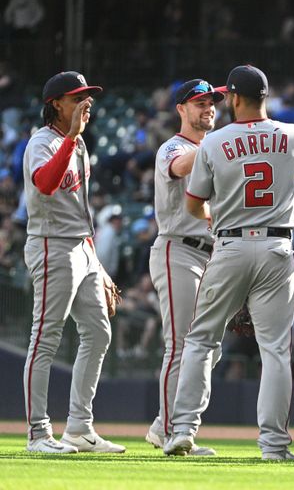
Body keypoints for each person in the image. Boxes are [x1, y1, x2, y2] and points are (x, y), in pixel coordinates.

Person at [163, 65, 294, 461]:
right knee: (276, 349)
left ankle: (181, 432)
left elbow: (193, 203)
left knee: (201, 339)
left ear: (236, 99)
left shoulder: (213, 142)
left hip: (229, 245)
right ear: (266, 96)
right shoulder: (293, 134)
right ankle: (274, 445)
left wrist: (219, 209)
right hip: (279, 246)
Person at [22, 71, 125, 453]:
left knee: (99, 332)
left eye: (88, 96)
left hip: (80, 248)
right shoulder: (43, 142)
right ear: (56, 105)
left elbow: (80, 210)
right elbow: (46, 184)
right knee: (45, 339)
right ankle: (37, 433)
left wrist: (97, 262)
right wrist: (70, 139)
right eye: (77, 96)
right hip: (51, 246)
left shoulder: (77, 144)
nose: (87, 102)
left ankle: (79, 427)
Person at [144, 79, 224, 455]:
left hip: (212, 254)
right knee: (180, 345)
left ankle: (174, 426)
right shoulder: (172, 147)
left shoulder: (215, 149)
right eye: (199, 102)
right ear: (181, 109)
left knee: (209, 347)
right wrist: (218, 142)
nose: (208, 107)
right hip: (178, 249)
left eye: (212, 102)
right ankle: (167, 428)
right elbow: (179, 168)